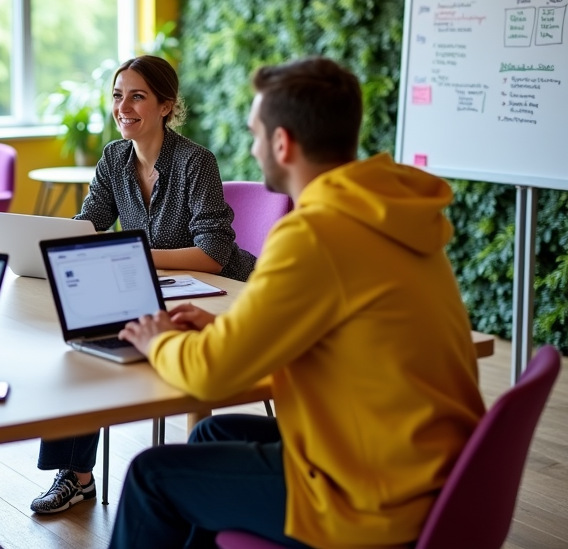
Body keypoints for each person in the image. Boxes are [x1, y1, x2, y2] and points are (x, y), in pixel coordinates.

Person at [109, 56, 485, 549]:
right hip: (431, 470)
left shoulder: (315, 235)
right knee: (209, 438)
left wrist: (159, 340)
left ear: (282, 143)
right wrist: (220, 330)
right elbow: (317, 326)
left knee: (151, 477)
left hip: (370, 496)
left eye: (255, 133)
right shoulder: (389, 213)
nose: (252, 146)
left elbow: (211, 375)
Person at [30, 55, 257, 515]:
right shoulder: (115, 158)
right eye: (118, 95)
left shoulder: (196, 162)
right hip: (154, 289)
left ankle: (195, 486)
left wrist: (133, 256)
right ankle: (76, 476)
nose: (123, 106)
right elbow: (90, 221)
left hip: (221, 292)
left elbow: (212, 253)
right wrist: (60, 243)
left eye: (137, 96)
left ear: (166, 106)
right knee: (85, 342)